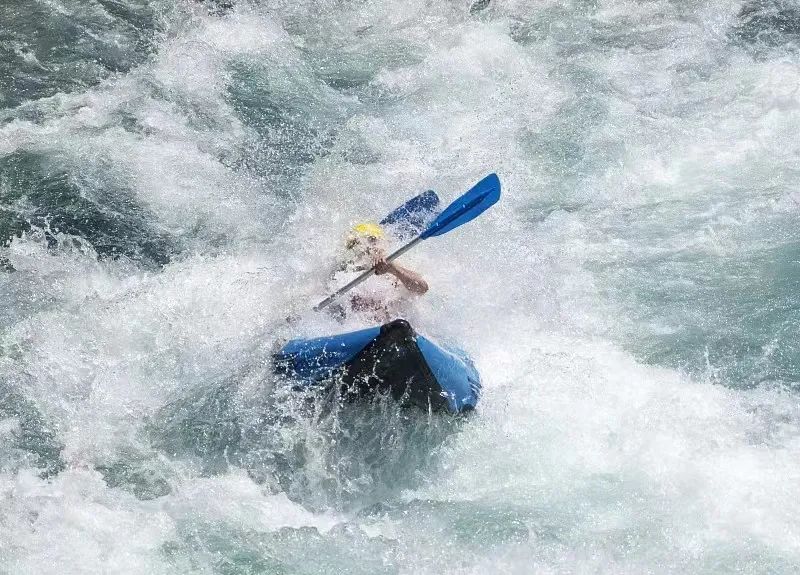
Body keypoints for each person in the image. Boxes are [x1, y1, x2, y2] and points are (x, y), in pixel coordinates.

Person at [328, 222, 428, 322]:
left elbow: (422, 288)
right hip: (357, 325)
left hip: (392, 326)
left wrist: (393, 269)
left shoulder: (395, 266)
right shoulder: (343, 273)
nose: (370, 247)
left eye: (373, 240)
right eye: (358, 243)